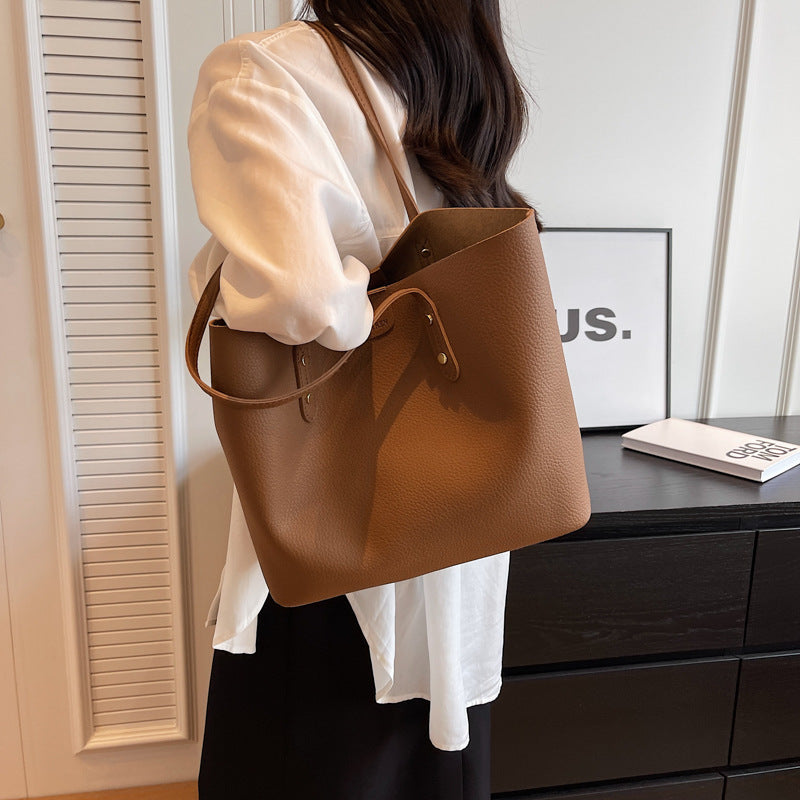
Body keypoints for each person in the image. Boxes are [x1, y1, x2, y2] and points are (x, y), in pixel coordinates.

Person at [186, 2, 541, 797]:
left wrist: (355, 291)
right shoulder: (460, 71)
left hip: (337, 501)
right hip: (461, 494)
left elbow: (302, 303)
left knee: (315, 752)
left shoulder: (262, 71)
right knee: (431, 760)